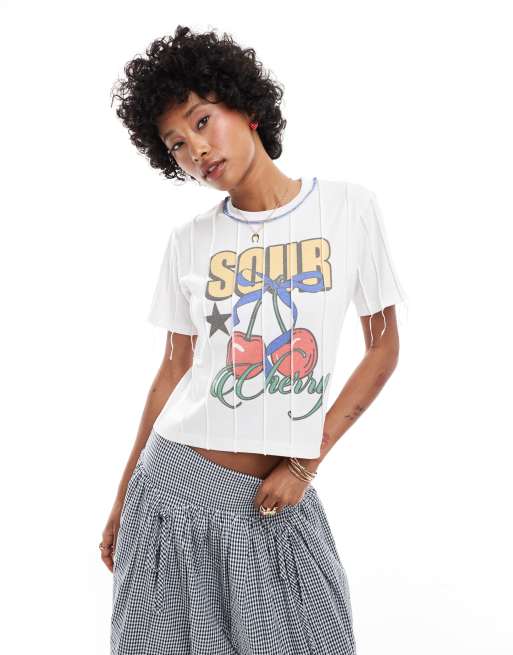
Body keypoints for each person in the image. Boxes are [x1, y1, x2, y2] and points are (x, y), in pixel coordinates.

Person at [102, 25, 408, 655]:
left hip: (277, 497)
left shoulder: (348, 209)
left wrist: (303, 464)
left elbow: (383, 350)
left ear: (246, 108)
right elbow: (172, 373)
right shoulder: (189, 242)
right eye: (176, 144)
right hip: (173, 491)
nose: (196, 150)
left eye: (202, 121)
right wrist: (123, 498)